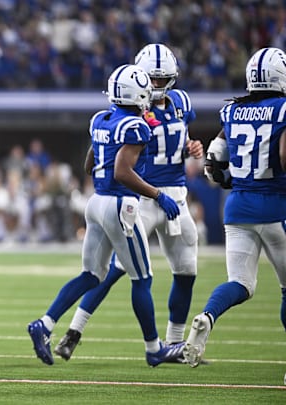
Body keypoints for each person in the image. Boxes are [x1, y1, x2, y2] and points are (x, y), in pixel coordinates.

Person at [27, 64, 186, 368]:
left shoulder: (101, 119)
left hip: (96, 201)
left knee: (91, 275)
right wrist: (158, 195)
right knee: (142, 279)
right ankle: (154, 348)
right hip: (119, 205)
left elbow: (90, 165)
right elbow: (122, 172)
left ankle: (45, 324)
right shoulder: (135, 126)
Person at [54, 43, 204, 362]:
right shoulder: (134, 109)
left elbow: (181, 138)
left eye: (163, 79)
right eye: (153, 79)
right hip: (145, 194)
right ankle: (73, 332)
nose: (158, 86)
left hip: (176, 193)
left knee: (188, 268)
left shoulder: (181, 102)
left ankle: (174, 343)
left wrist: (191, 146)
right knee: (116, 269)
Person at [184, 47, 286, 368]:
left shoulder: (232, 110)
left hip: (238, 207)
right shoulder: (283, 109)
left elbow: (214, 163)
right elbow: (284, 158)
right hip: (276, 206)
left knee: (240, 283)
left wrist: (231, 180)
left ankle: (208, 316)